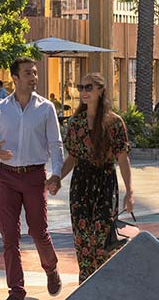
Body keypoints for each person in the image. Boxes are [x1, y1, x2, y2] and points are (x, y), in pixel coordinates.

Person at [0, 56, 65, 300]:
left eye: (35, 73)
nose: (34, 78)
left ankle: (51, 269)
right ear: (15, 78)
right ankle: (16, 291)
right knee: (9, 236)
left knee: (38, 231)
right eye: (28, 73)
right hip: (6, 177)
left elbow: (55, 144)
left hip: (34, 176)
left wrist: (57, 174)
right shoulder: (1, 109)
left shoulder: (46, 108)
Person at [56, 71, 132, 280]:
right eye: (81, 88)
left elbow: (123, 158)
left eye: (89, 87)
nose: (83, 92)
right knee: (82, 239)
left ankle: (104, 282)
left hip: (105, 182)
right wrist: (56, 178)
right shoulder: (76, 123)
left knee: (101, 236)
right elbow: (72, 157)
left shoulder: (114, 122)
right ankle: (86, 283)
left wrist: (129, 192)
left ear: (100, 90)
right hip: (80, 183)